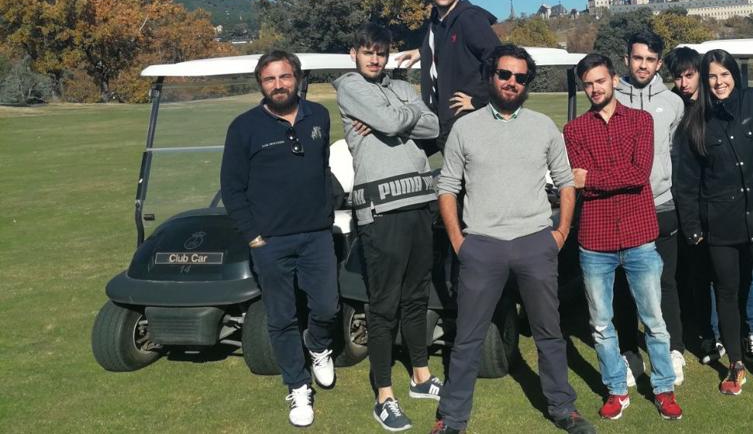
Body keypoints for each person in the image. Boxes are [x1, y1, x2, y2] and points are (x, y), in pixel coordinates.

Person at [432, 45, 594, 434]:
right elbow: (447, 188)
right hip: (481, 245)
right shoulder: (465, 128)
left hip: (535, 242)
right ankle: (452, 418)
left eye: (520, 77)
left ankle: (562, 408)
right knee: (468, 336)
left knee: (548, 332)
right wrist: (459, 241)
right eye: (505, 74)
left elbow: (567, 182)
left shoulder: (543, 126)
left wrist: (560, 233)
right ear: (491, 76)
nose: (512, 83)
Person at [333, 24, 443, 431]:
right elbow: (399, 124)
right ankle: (384, 395)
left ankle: (420, 376)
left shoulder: (401, 87)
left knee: (416, 297)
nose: (374, 59)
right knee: (383, 306)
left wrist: (397, 117)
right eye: (367, 52)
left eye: (381, 52)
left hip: (419, 203)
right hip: (381, 210)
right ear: (354, 54)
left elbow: (433, 127)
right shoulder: (349, 86)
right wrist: (398, 119)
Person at [220, 50, 337, 428]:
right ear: (261, 85)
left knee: (326, 307)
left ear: (298, 79)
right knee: (282, 317)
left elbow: (322, 168)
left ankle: (318, 346)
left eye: (284, 77)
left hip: (316, 234)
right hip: (270, 241)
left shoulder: (318, 116)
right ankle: (297, 385)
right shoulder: (243, 127)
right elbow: (232, 188)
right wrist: (253, 236)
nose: (278, 85)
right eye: (270, 79)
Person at [564, 53, 683, 421]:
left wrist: (594, 178)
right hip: (595, 240)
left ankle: (663, 388)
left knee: (654, 320)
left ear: (614, 80)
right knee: (601, 325)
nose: (595, 88)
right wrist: (602, 179)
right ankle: (616, 389)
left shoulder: (640, 121)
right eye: (588, 83)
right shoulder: (574, 130)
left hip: (639, 235)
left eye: (600, 80)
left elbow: (637, 174)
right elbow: (578, 180)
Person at [675, 49, 753, 396]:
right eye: (711, 76)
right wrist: (693, 226)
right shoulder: (695, 122)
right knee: (727, 293)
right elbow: (687, 181)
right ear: (704, 81)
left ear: (735, 76)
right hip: (720, 223)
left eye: (724, 75)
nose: (719, 82)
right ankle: (736, 363)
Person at [666, 45, 753, 365]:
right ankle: (711, 334)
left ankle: (748, 331)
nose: (683, 83)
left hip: (728, 209)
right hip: (695, 206)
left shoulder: (721, 107)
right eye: (678, 77)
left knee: (741, 274)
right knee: (701, 275)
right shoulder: (679, 111)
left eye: (690, 75)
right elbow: (686, 175)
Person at [610, 32, 687, 386]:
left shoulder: (672, 102)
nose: (643, 65)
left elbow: (674, 152)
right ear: (628, 58)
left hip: (661, 202)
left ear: (659, 63)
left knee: (666, 281)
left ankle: (674, 349)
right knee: (624, 284)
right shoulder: (609, 95)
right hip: (622, 204)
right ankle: (629, 351)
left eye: (650, 60)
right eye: (637, 57)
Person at [397, 0, 501, 151]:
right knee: (402, 154)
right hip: (439, 121)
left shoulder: (469, 19)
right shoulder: (438, 20)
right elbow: (449, 45)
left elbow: (500, 61)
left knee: (468, 181)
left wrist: (480, 99)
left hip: (466, 126)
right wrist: (423, 51)